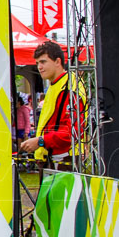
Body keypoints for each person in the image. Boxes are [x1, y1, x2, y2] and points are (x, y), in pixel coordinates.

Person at [19, 41, 84, 169]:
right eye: (37, 63)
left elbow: (72, 133)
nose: (39, 67)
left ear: (58, 62)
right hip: (51, 158)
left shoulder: (69, 87)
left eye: (43, 62)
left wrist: (40, 141)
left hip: (64, 159)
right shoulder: (54, 85)